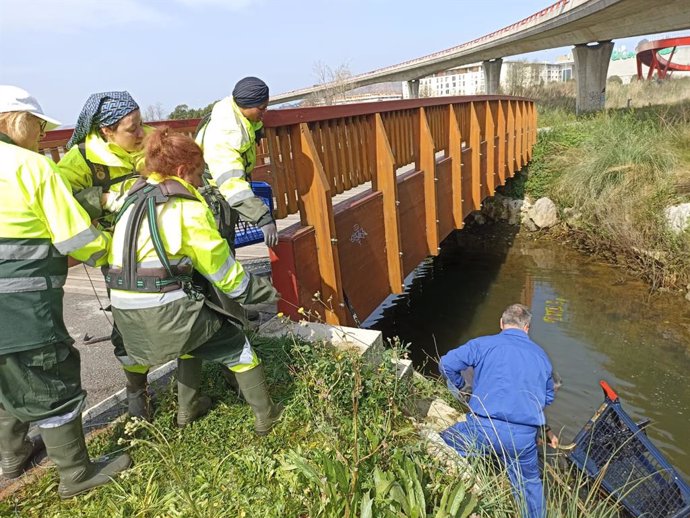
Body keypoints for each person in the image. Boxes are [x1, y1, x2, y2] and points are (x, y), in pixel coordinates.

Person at [106, 127, 283, 433]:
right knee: (238, 348)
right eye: (199, 174)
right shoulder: (185, 209)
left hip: (123, 313)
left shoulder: (131, 198)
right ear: (181, 170)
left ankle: (183, 410)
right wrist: (259, 291)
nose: (201, 182)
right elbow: (225, 274)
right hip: (163, 310)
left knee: (187, 336)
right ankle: (267, 417)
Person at [0, 85, 131, 497]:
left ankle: (12, 456)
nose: (41, 134)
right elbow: (75, 237)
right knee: (48, 374)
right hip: (23, 301)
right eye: (38, 125)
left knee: (8, 372)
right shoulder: (30, 166)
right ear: (16, 121)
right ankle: (76, 474)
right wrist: (119, 251)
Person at [56, 91, 154, 421]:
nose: (142, 134)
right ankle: (138, 394)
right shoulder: (80, 161)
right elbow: (58, 201)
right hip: (119, 254)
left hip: (164, 247)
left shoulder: (149, 140)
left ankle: (191, 389)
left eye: (141, 124)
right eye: (133, 128)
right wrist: (104, 197)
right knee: (129, 322)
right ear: (106, 131)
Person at [438, 304, 557, 518]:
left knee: (439, 443)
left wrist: (463, 388)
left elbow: (446, 364)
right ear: (527, 327)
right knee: (530, 485)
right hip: (522, 437)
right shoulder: (542, 358)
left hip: (483, 429)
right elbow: (547, 398)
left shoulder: (483, 344)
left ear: (501, 324)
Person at [195, 76, 278, 252]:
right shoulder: (225, 134)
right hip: (213, 196)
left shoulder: (239, 117)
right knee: (220, 251)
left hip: (221, 195)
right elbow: (231, 183)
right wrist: (262, 217)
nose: (265, 113)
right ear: (246, 106)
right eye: (261, 108)